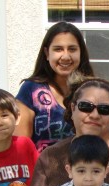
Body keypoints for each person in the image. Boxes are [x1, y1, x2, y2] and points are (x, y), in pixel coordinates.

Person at [15, 21, 94, 152]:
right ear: (47, 53)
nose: (65, 56)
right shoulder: (31, 90)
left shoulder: (92, 91)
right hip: (42, 171)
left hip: (84, 170)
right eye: (58, 49)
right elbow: (20, 147)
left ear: (81, 52)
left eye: (72, 49)